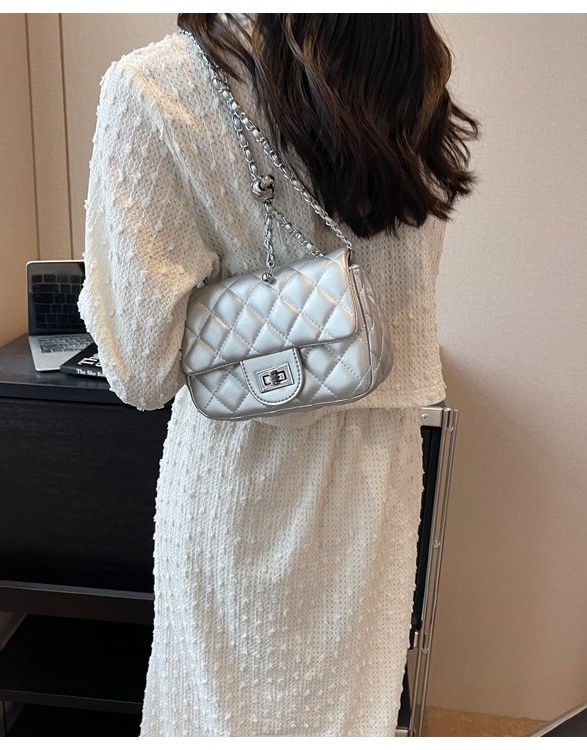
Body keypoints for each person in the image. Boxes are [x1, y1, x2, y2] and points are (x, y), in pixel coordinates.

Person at [78, 13, 478, 737]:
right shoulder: (407, 70)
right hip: (375, 483)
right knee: (347, 717)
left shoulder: (156, 89)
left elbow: (140, 371)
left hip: (240, 483)